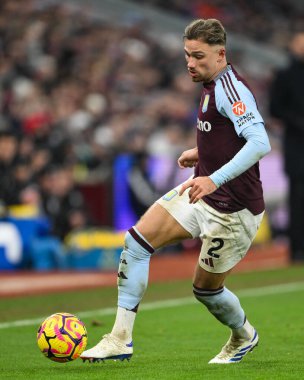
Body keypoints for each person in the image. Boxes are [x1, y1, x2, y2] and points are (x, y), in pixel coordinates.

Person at [81, 18, 271, 364]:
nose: (190, 63)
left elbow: (260, 142)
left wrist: (214, 177)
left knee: (206, 291)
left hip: (233, 211)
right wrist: (203, 153)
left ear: (220, 54)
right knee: (136, 243)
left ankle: (243, 334)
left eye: (198, 56)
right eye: (187, 55)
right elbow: (230, 135)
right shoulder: (211, 83)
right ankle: (119, 339)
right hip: (201, 193)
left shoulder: (232, 90)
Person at [269, 31, 304, 263]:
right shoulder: (284, 75)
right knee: (298, 198)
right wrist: (298, 122)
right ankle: (297, 250)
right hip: (296, 146)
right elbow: (275, 109)